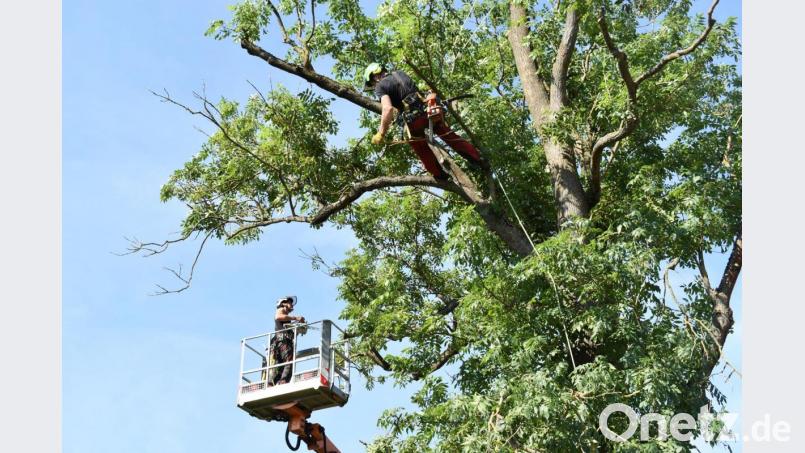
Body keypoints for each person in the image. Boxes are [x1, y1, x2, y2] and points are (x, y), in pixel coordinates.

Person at [363, 63, 488, 180]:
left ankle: (440, 175)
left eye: (372, 82)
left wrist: (381, 133)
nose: (374, 85)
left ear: (375, 77)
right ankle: (477, 158)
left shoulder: (380, 86)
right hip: (429, 111)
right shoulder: (400, 73)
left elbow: (387, 108)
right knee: (449, 135)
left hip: (414, 121)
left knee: (420, 147)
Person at [269, 296, 305, 385]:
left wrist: (299, 326)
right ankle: (283, 381)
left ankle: (272, 383)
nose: (292, 305)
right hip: (282, 341)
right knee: (289, 362)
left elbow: (288, 327)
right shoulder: (281, 310)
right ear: (283, 303)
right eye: (289, 302)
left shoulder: (287, 319)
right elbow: (278, 316)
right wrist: (295, 318)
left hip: (280, 342)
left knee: (280, 366)